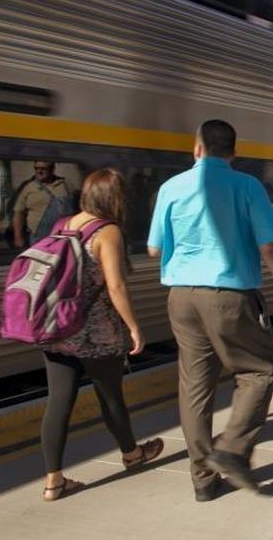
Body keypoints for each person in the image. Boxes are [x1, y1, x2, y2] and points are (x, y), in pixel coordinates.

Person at [147, 120, 273, 501]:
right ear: (233, 152)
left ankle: (202, 480)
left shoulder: (171, 188)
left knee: (195, 387)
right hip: (229, 296)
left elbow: (154, 249)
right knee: (259, 372)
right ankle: (231, 450)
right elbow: (267, 246)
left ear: (197, 148)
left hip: (181, 297)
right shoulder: (247, 186)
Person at [39, 169, 164, 501]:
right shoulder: (107, 232)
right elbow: (116, 285)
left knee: (58, 403)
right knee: (111, 398)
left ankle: (54, 482)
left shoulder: (61, 225)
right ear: (116, 199)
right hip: (96, 333)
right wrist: (134, 327)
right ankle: (132, 455)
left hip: (57, 328)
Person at [12, 161, 75, 248]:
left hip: (62, 236)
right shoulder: (28, 187)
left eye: (43, 169)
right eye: (36, 168)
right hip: (38, 238)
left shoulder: (66, 185)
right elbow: (19, 213)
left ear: (52, 169)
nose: (39, 171)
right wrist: (18, 237)